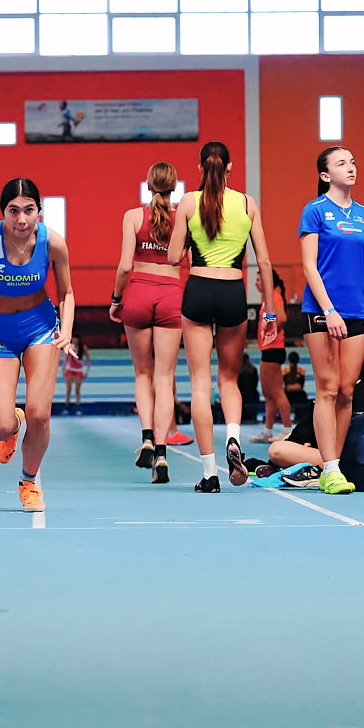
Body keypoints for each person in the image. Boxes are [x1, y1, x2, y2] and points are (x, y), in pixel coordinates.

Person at [164, 141, 280, 493]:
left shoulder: (188, 203)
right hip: (233, 293)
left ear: (200, 168)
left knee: (201, 385)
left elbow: (172, 257)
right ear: (229, 168)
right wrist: (269, 310)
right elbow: (264, 262)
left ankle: (209, 474)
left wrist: (190, 239)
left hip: (199, 290)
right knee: (229, 379)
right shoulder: (246, 203)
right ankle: (233, 438)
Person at [0, 177, 76, 514]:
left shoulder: (53, 243)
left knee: (40, 413)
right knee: (0, 427)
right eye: (13, 211)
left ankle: (28, 482)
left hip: (40, 328)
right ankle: (13, 423)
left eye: (29, 210)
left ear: (39, 211)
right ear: (3, 212)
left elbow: (67, 293)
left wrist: (66, 331)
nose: (21, 219)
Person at [297, 145, 364, 497]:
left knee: (348, 390)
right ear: (325, 175)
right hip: (321, 311)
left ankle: (333, 465)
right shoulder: (315, 211)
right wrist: (329, 310)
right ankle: (331, 469)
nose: (351, 167)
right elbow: (309, 266)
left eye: (352, 162)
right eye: (341, 163)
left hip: (358, 311)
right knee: (328, 388)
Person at [109, 161, 186, 483]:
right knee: (164, 377)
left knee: (142, 373)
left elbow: (125, 266)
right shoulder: (184, 217)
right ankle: (163, 453)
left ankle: (146, 437)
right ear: (174, 186)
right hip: (171, 294)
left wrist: (116, 300)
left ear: (148, 184)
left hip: (138, 293)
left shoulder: (132, 216)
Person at [252, 271, 291, 444]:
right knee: (268, 393)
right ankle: (268, 430)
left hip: (274, 349)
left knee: (276, 391)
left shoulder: (274, 296)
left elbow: (281, 318)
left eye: (259, 279)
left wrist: (269, 331)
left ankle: (287, 429)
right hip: (268, 349)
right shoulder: (268, 298)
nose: (256, 283)